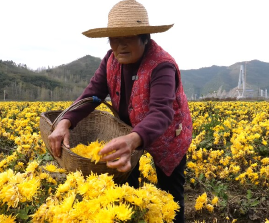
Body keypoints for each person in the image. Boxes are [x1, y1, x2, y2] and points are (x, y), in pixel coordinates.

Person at [48, 0, 193, 222]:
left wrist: (133, 140)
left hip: (167, 136)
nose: (120, 46)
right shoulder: (110, 60)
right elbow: (92, 94)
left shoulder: (162, 65)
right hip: (128, 133)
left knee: (171, 194)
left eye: (129, 38)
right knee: (125, 186)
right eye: (115, 39)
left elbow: (161, 113)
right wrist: (65, 121)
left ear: (145, 37)